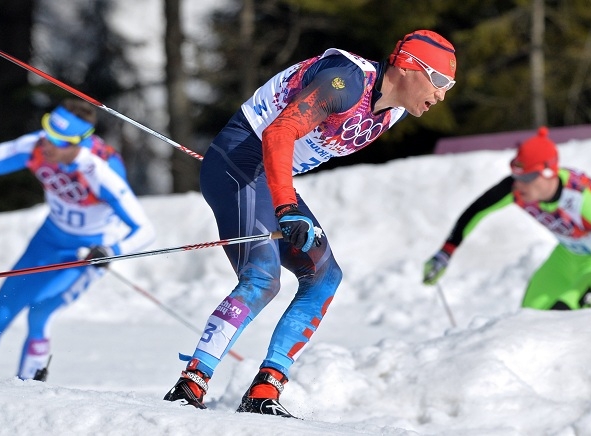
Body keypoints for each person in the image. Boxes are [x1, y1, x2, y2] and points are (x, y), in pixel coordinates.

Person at [162, 30, 457, 417]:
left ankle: (265, 389)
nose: (441, 95)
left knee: (325, 277)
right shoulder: (346, 79)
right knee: (262, 279)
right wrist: (286, 207)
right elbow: (280, 131)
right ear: (407, 66)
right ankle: (191, 383)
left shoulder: (395, 110)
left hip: (267, 177)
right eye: (438, 80)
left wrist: (283, 201)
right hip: (240, 161)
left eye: (449, 86)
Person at [0, 98, 155, 381]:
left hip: (84, 254)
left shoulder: (100, 171)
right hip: (47, 241)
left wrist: (111, 250)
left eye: (57, 141)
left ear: (77, 143)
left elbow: (146, 229)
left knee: (39, 314)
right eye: (47, 133)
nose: (46, 144)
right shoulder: (38, 147)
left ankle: (28, 394)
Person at [423, 127, 591, 311]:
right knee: (531, 315)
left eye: (528, 177)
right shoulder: (518, 188)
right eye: (516, 176)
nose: (519, 185)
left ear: (549, 173)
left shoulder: (584, 202)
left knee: (567, 311)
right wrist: (446, 252)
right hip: (568, 255)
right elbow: (476, 210)